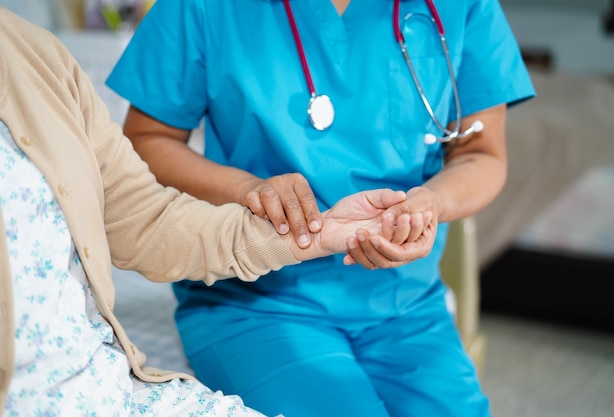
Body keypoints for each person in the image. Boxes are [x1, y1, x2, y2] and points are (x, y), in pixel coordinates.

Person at [106, 0, 536, 416]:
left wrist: (431, 204)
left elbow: (481, 153)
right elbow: (147, 140)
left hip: (405, 303)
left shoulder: (465, 6)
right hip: (256, 299)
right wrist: (248, 189)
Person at [0, 8, 416, 416]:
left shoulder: (38, 57)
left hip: (108, 390)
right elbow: (152, 140)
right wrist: (250, 190)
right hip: (249, 307)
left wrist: (317, 233)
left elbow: (146, 220)